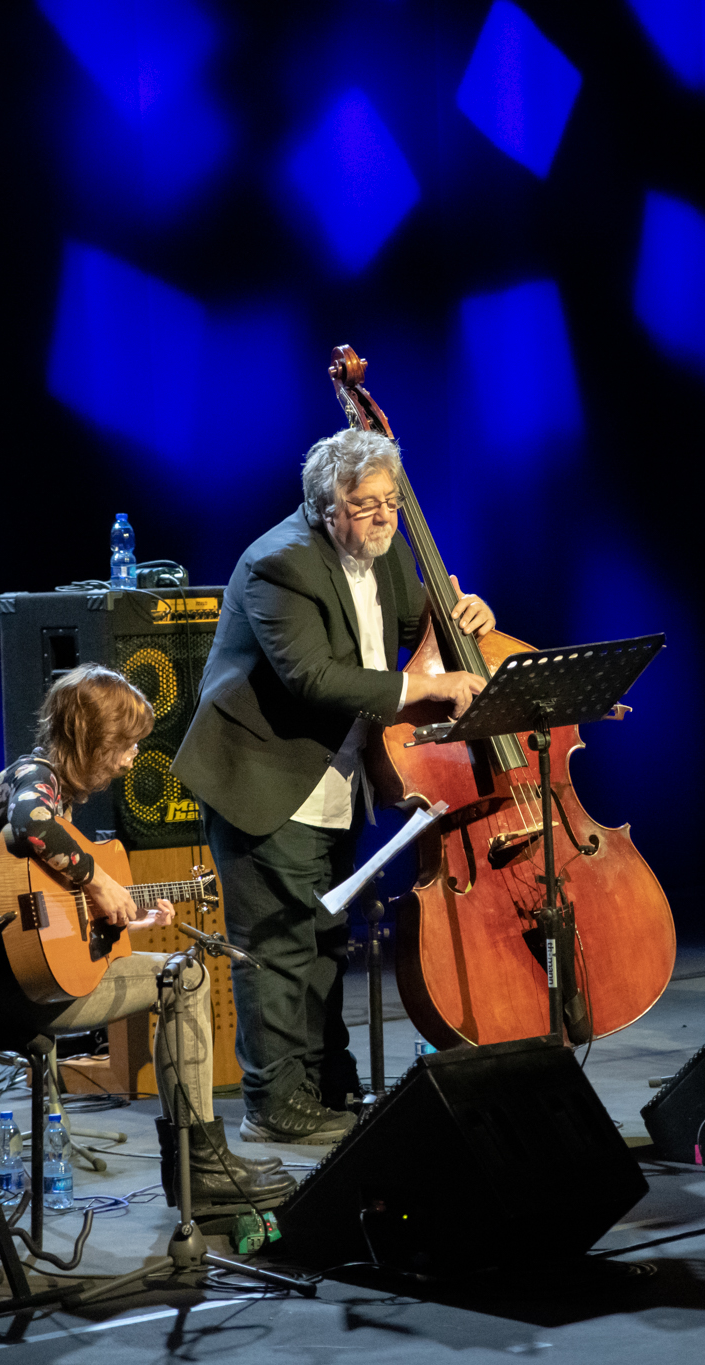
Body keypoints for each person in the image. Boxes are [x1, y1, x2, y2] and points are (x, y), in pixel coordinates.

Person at [173, 427, 494, 1144]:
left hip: (334, 779)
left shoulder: (385, 554)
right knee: (277, 946)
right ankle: (272, 1104)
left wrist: (466, 610)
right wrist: (428, 686)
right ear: (325, 506)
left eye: (391, 504)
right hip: (263, 777)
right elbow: (313, 678)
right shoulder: (277, 564)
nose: (383, 518)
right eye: (364, 505)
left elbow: (421, 621)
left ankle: (322, 1082)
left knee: (323, 941)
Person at [0, 663, 292, 1210]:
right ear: (89, 740)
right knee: (187, 977)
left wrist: (119, 919)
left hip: (6, 981)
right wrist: (99, 881)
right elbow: (29, 824)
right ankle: (200, 1163)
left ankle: (199, 1160)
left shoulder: (57, 795)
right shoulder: (35, 779)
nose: (130, 761)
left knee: (179, 970)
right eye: (123, 746)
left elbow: (45, 921)